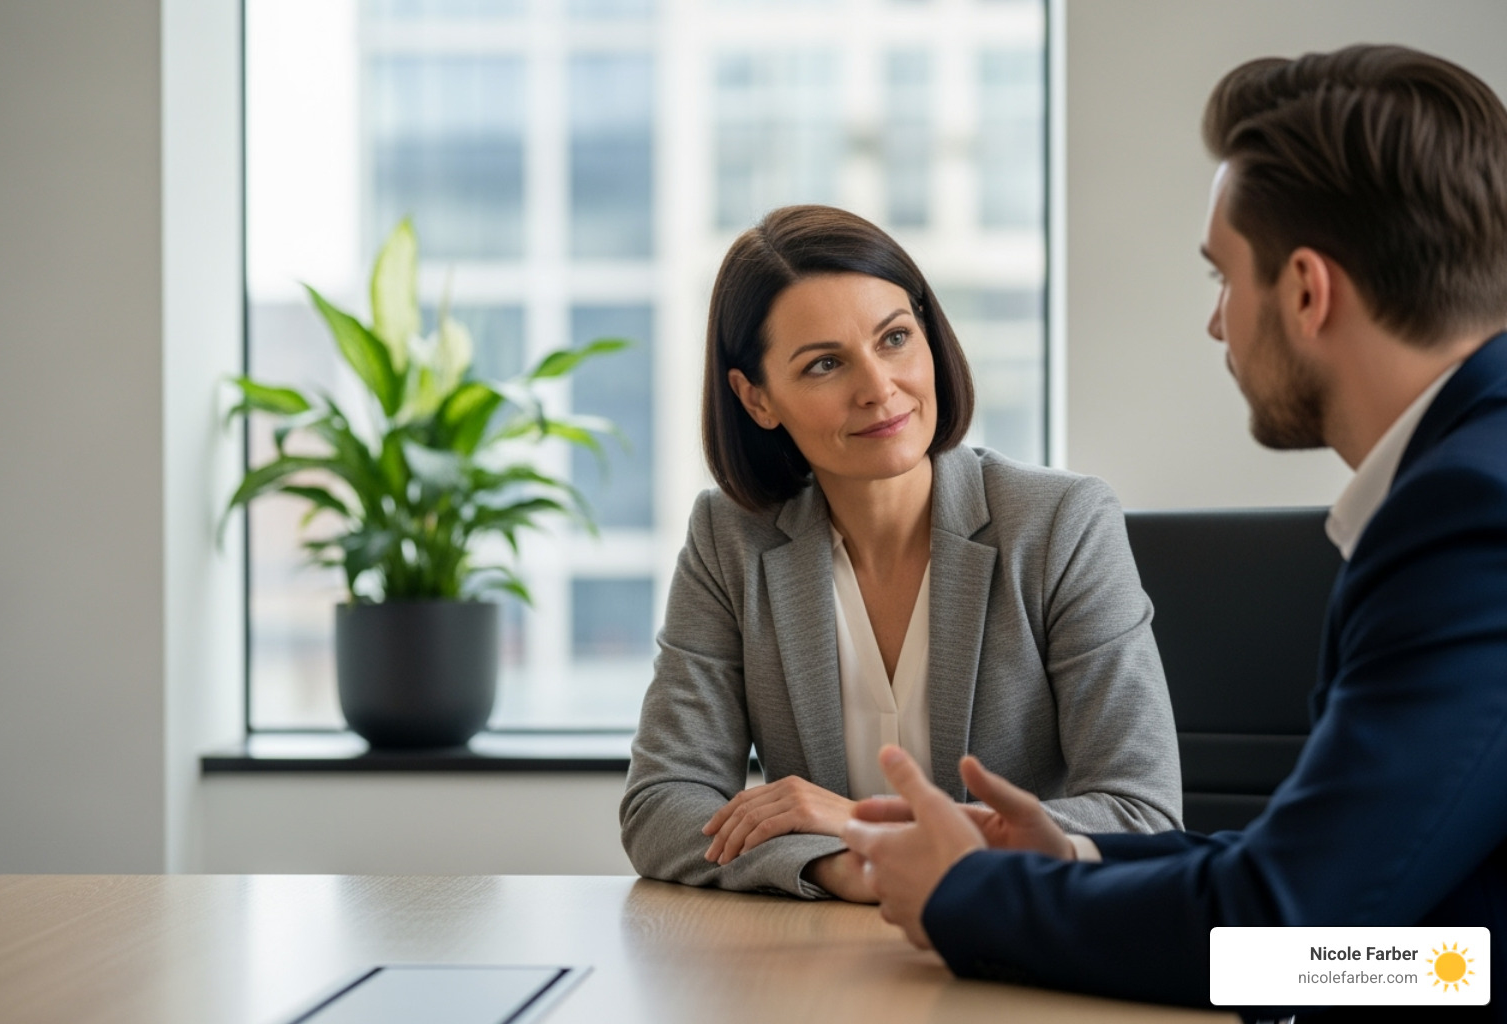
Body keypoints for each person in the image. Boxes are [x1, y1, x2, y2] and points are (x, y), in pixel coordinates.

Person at [841, 44, 1507, 1021]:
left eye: (1223, 279)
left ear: (1309, 291)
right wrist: (1077, 856)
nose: (1216, 326)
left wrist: (968, 897)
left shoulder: (1467, 518)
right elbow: (1424, 949)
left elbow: (1287, 932)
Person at [620, 204, 1182, 902]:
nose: (879, 389)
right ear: (757, 398)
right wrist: (836, 865)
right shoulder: (730, 539)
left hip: (1030, 947)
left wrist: (864, 827)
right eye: (825, 364)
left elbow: (1142, 817)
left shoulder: (1060, 524)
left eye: (894, 339)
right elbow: (662, 806)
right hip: (825, 962)